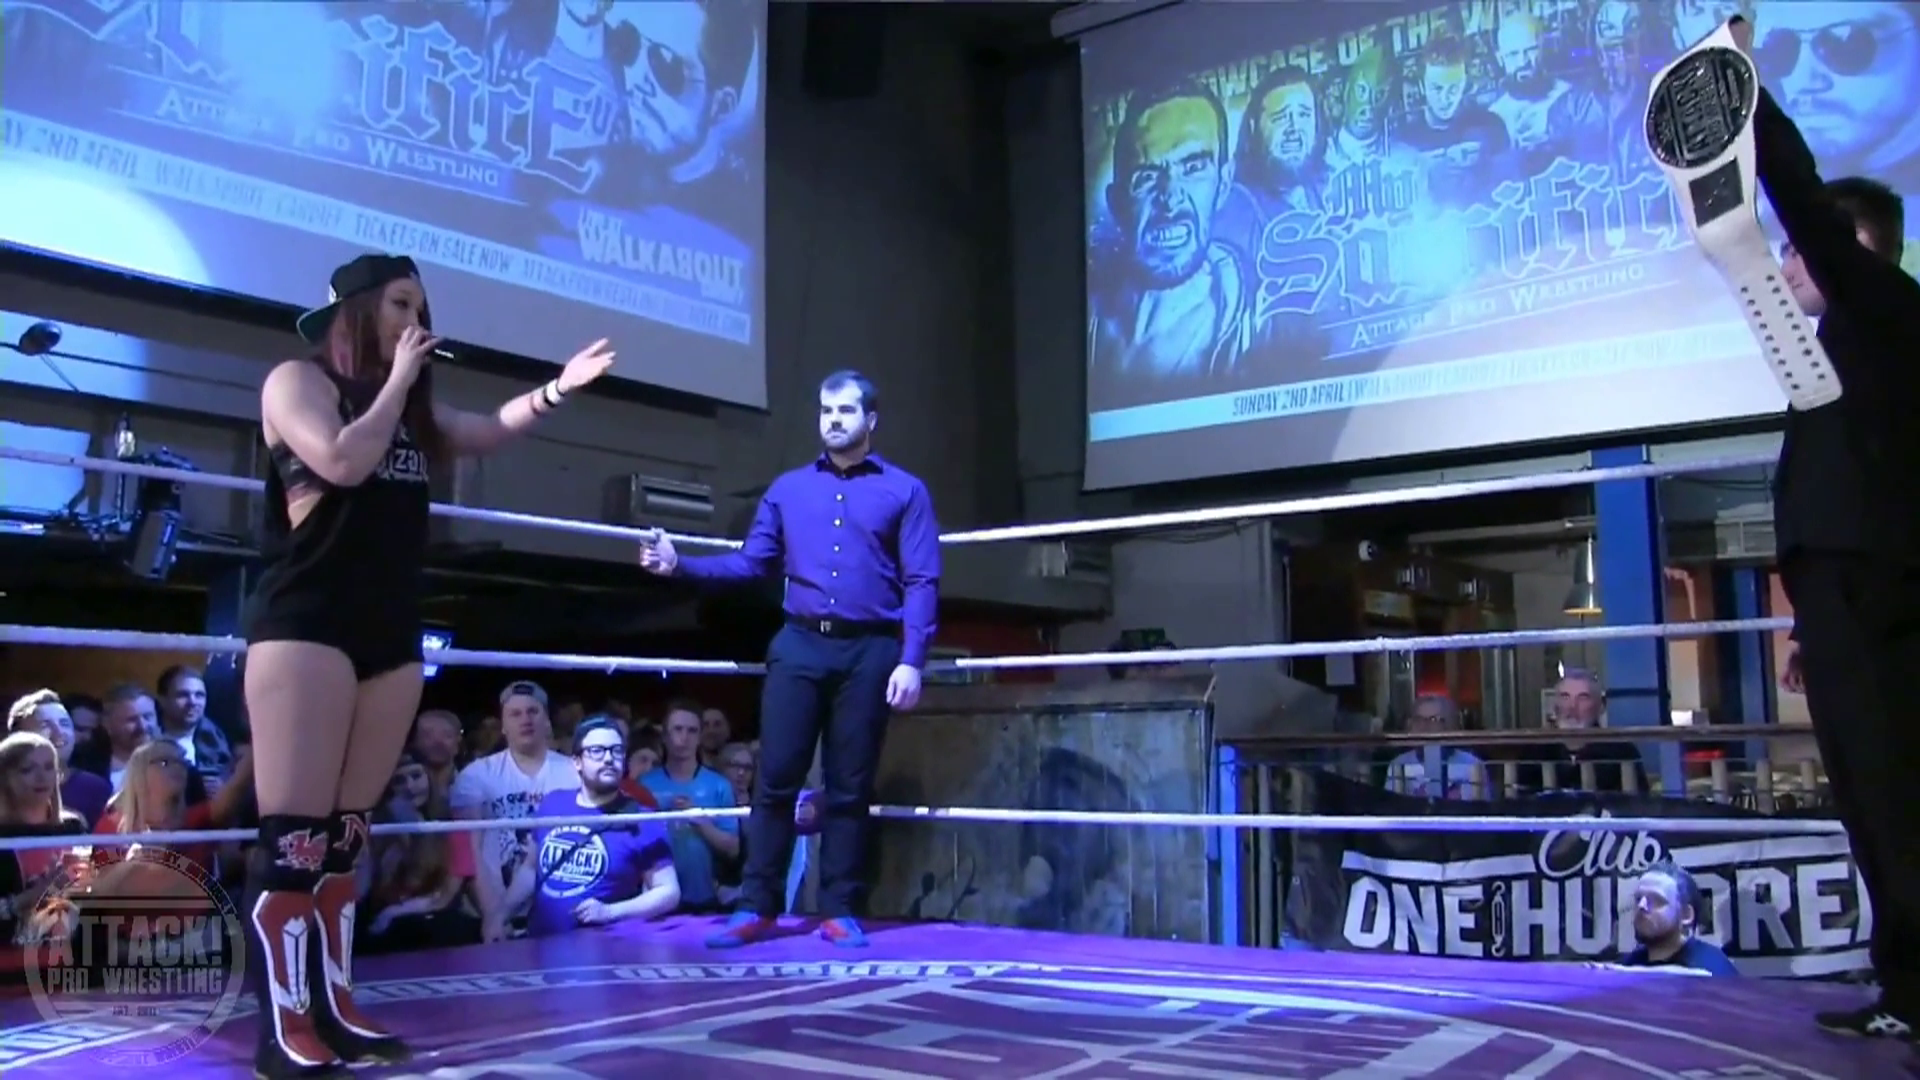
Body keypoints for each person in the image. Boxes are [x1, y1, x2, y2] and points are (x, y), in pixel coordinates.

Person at [240, 252, 616, 1077]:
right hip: (307, 622)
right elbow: (340, 460)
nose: (417, 320)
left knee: (346, 836)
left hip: (389, 629)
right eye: (400, 303)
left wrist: (559, 387)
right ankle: (285, 1023)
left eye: (422, 307)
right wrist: (398, 386)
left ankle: (335, 1003)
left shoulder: (412, 414)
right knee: (296, 837)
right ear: (358, 310)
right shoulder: (298, 382)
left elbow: (491, 430)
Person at [1734, 15, 1920, 1040]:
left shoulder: (1884, 311)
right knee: (1866, 798)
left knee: (1893, 794)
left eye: (1803, 251)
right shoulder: (1840, 345)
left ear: (1850, 247)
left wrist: (1745, 94)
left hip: (1877, 592)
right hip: (1842, 601)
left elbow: (1799, 192)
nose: (1788, 263)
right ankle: (1906, 991)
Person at [639, 370, 940, 949]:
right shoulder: (787, 488)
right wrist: (681, 565)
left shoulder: (905, 491)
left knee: (850, 784)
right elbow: (751, 563)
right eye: (826, 410)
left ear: (871, 420)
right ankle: (756, 906)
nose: (834, 420)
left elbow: (922, 579)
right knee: (775, 779)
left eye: (845, 410)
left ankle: (840, 908)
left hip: (870, 647)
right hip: (800, 642)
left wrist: (912, 658)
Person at [504, 717, 679, 934]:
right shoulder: (553, 804)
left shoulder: (642, 820)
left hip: (605, 947)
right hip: (540, 943)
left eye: (616, 751)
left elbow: (669, 891)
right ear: (577, 762)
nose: (608, 758)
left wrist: (609, 912)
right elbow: (530, 869)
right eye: (597, 751)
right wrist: (500, 916)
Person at [1616, 860, 1738, 976]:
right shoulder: (1626, 967)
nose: (1641, 906)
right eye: (1638, 899)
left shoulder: (1712, 971)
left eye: (1657, 900)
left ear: (1686, 915)